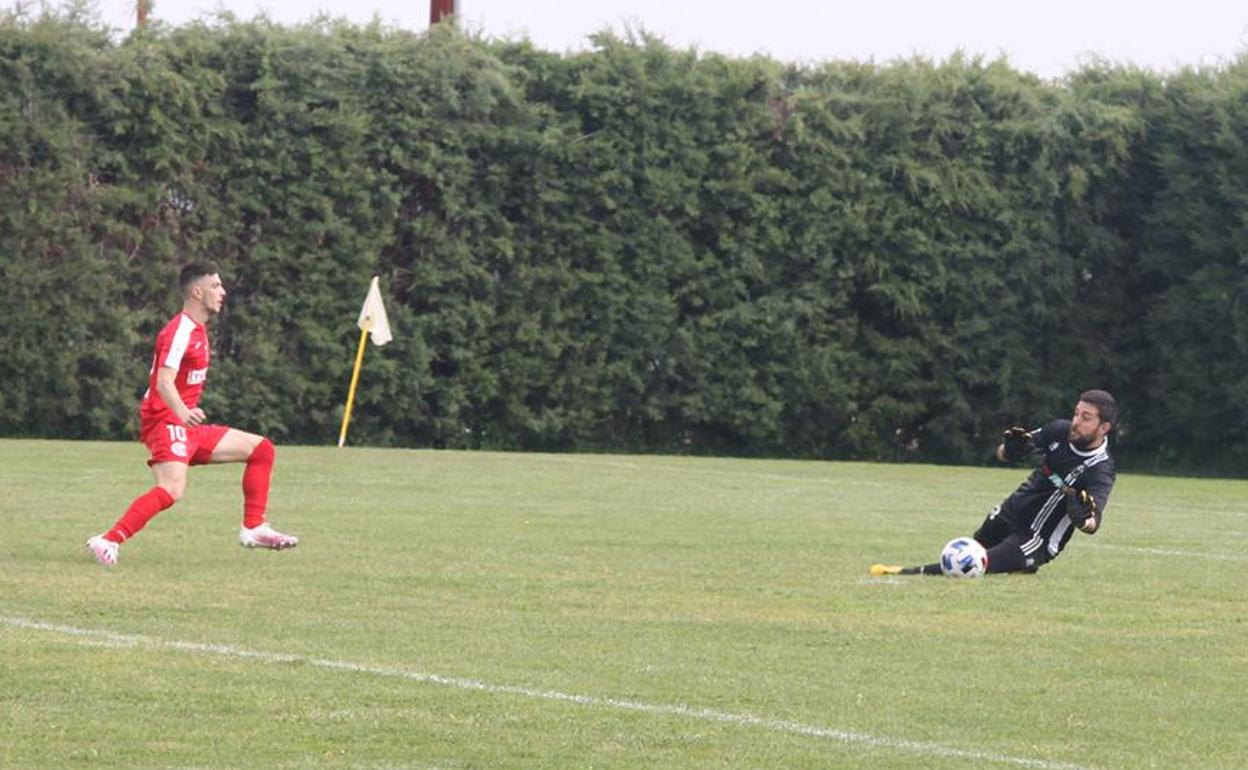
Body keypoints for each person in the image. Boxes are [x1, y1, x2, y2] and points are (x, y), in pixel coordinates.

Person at [86, 262, 298, 565]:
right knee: (172, 489)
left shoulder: (198, 330)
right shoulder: (180, 331)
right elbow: (164, 381)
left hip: (185, 424)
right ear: (197, 292)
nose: (222, 292)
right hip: (166, 421)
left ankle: (253, 528)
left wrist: (185, 416)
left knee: (261, 449)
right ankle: (108, 540)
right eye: (215, 286)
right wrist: (182, 412)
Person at [870, 390, 1117, 576]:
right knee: (970, 549)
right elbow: (1002, 453)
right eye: (1076, 413)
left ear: (1103, 428)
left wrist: (1082, 519)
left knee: (973, 564)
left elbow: (1093, 523)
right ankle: (1020, 566)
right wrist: (1010, 449)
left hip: (1035, 537)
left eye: (1086, 418)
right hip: (1010, 511)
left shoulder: (1101, 469)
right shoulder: (1059, 430)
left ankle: (905, 572)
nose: (1076, 421)